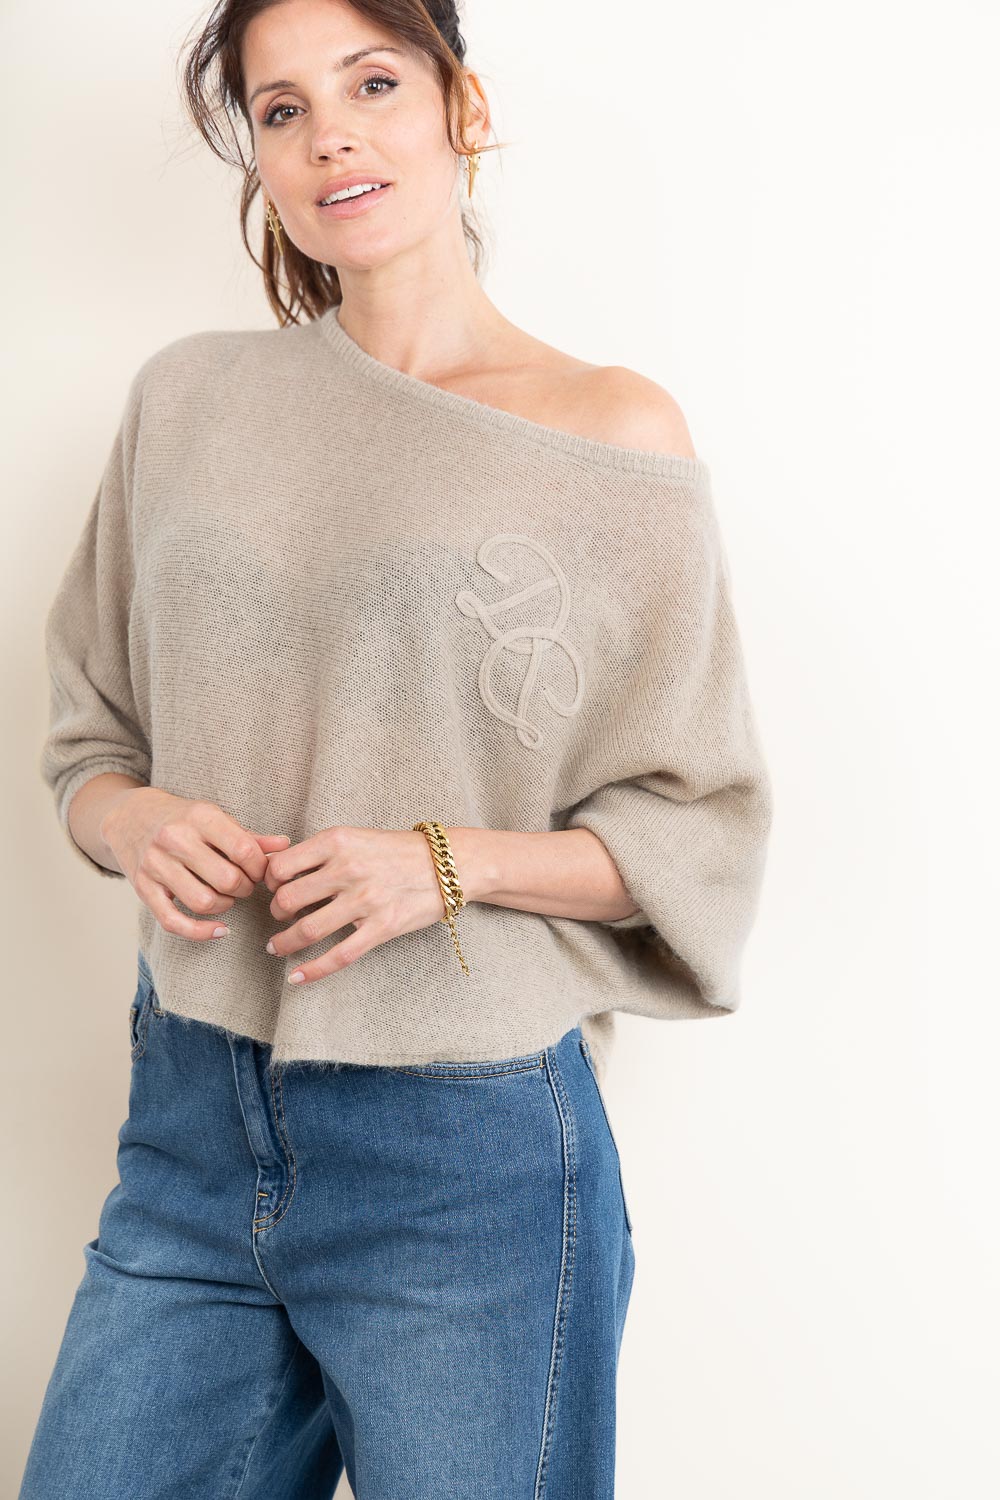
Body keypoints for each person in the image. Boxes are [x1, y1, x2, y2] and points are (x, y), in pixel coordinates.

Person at [19, 1, 773, 1496]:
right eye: (282, 108)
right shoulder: (188, 399)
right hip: (191, 1119)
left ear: (461, 109)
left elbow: (696, 829)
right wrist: (132, 821)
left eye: (372, 83)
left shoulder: (610, 429)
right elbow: (87, 743)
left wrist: (444, 866)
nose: (330, 137)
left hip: (463, 1145)